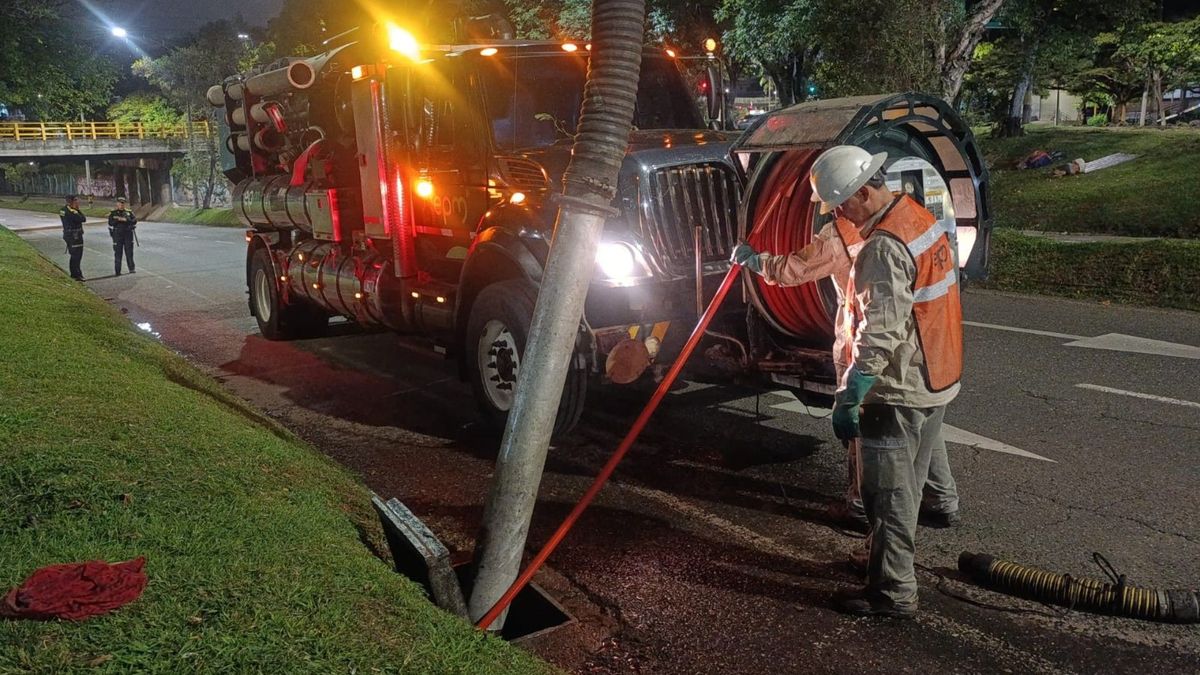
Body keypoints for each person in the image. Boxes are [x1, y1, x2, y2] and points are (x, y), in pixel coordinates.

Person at [733, 145, 964, 618]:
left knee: (888, 496)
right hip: (937, 373)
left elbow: (879, 333)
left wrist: (851, 394)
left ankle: (893, 592)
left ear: (862, 192)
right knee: (912, 483)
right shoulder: (915, 216)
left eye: (839, 204)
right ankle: (889, 554)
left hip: (896, 387)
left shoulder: (881, 245)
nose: (837, 214)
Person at [59, 195, 87, 281]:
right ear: (70, 202)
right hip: (74, 236)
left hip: (70, 235)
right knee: (76, 256)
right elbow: (82, 219)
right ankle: (76, 274)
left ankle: (75, 273)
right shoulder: (71, 211)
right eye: (76, 201)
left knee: (75, 255)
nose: (78, 202)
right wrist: (77, 209)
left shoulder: (63, 210)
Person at [108, 197, 137, 275]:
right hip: (118, 235)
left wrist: (125, 220)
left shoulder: (129, 212)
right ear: (117, 204)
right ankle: (118, 271)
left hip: (128, 234)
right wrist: (118, 219)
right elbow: (110, 222)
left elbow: (134, 221)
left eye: (123, 203)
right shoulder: (113, 213)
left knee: (129, 252)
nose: (121, 204)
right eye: (120, 203)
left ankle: (131, 268)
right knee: (118, 253)